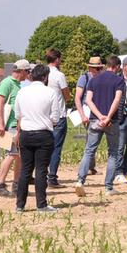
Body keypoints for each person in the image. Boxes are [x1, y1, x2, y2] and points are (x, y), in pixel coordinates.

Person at [14, 64, 62, 213]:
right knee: (41, 170)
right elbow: (55, 118)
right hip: (43, 134)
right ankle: (41, 204)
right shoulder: (50, 92)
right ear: (45, 77)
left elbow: (17, 115)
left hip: (26, 134)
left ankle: (20, 205)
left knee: (25, 170)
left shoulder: (22, 92)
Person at [74, 55, 125, 197]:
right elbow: (117, 99)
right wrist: (108, 116)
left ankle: (80, 180)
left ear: (106, 65)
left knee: (89, 151)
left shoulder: (94, 80)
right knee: (113, 153)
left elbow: (88, 100)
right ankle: (109, 187)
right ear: (117, 67)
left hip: (95, 120)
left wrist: (99, 115)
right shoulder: (119, 81)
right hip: (111, 121)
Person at [0, 59, 32, 197]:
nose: (28, 74)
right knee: (12, 155)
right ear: (21, 71)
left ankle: (16, 184)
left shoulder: (18, 84)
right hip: (10, 126)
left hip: (16, 125)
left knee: (19, 156)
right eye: (27, 71)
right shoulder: (7, 83)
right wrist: (0, 123)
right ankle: (0, 185)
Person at [74, 56, 104, 175]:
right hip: (87, 112)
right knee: (90, 141)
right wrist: (82, 115)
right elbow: (77, 98)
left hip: (99, 112)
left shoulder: (101, 78)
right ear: (91, 68)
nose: (99, 70)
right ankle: (85, 168)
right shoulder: (84, 78)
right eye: (97, 68)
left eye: (99, 68)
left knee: (91, 141)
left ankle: (90, 166)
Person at [46, 49, 71, 188]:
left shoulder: (42, 74)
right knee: (56, 147)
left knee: (44, 147)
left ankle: (42, 175)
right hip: (59, 115)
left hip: (44, 115)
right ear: (57, 60)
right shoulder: (59, 75)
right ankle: (52, 177)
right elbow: (66, 95)